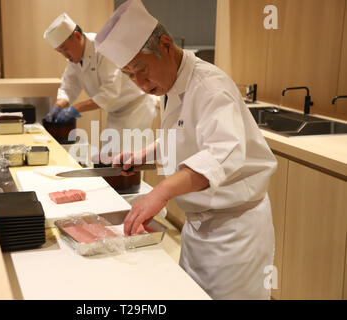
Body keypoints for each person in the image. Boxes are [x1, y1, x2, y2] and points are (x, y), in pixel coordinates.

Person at [95, 0, 277, 299]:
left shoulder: (210, 87)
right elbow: (185, 137)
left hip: (234, 232)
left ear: (165, 45)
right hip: (198, 228)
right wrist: (143, 155)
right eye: (130, 75)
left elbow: (221, 153)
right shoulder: (172, 81)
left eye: (142, 70)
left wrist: (162, 191)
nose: (141, 84)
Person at [43, 13, 157, 156]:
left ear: (77, 36)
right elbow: (69, 86)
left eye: (65, 48)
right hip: (115, 112)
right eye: (60, 52)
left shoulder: (103, 49)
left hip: (135, 109)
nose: (65, 55)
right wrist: (57, 106)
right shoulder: (74, 59)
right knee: (109, 159)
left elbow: (109, 93)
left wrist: (74, 109)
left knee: (130, 161)